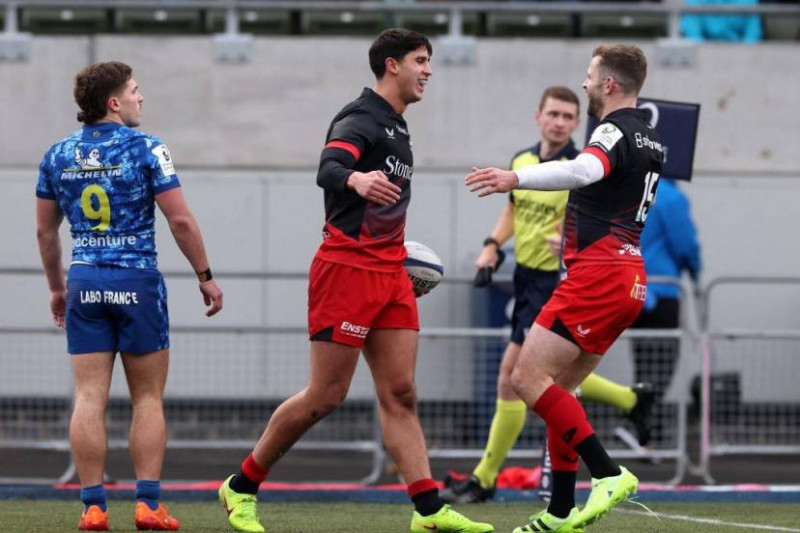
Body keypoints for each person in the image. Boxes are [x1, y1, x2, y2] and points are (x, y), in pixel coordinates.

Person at [217, 29, 493, 533]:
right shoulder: (361, 116)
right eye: (420, 60)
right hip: (346, 270)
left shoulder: (399, 126)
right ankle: (241, 485)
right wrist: (355, 178)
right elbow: (329, 166)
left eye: (429, 60)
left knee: (402, 393)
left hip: (391, 273)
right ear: (392, 65)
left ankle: (429, 511)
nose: (428, 70)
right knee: (326, 395)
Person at [465, 43, 664, 532]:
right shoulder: (653, 138)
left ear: (609, 84)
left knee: (525, 379)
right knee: (562, 391)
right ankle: (559, 510)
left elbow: (583, 170)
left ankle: (608, 472)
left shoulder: (613, 130)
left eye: (590, 75)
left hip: (598, 275)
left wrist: (513, 177)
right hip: (628, 276)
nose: (585, 82)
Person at [36, 61, 223, 531]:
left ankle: (93, 507)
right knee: (147, 399)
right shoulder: (147, 147)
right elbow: (180, 220)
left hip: (84, 282)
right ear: (114, 102)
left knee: (87, 397)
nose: (142, 98)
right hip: (137, 282)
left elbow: (45, 232)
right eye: (135, 91)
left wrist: (57, 288)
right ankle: (147, 505)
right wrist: (204, 275)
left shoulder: (57, 154)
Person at [630, 177, 701, 403]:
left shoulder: (633, 188)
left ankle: (638, 413)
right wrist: (695, 269)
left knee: (642, 359)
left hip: (631, 287)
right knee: (663, 362)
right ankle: (643, 413)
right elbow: (685, 244)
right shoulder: (671, 197)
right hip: (662, 291)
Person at [681, 0, 763, 43]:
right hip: (705, 53)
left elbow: (753, 34)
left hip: (739, 53)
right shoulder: (695, 1)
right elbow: (692, 34)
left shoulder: (749, 1)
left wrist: (742, 55)